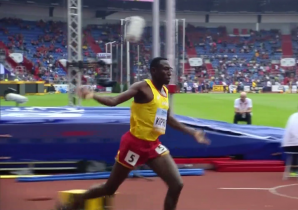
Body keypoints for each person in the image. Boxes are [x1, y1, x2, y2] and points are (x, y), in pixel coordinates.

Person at [55, 57, 210, 210]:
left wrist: (192, 132)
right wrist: (92, 95)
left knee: (177, 184)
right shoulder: (142, 88)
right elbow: (114, 101)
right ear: (154, 71)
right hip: (134, 145)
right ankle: (74, 203)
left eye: (170, 69)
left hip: (153, 145)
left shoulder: (164, 92)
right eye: (165, 69)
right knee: (110, 188)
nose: (169, 72)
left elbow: (168, 118)